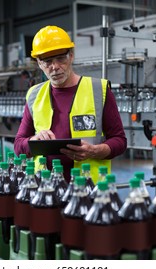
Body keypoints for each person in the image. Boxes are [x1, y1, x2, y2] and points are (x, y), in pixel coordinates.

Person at [14, 25, 127, 182]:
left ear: (71, 56)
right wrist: (34, 141)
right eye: (47, 61)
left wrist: (95, 151)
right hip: (45, 188)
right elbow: (19, 145)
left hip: (89, 187)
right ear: (39, 63)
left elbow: (119, 141)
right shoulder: (34, 95)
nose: (55, 67)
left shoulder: (98, 90)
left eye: (61, 58)